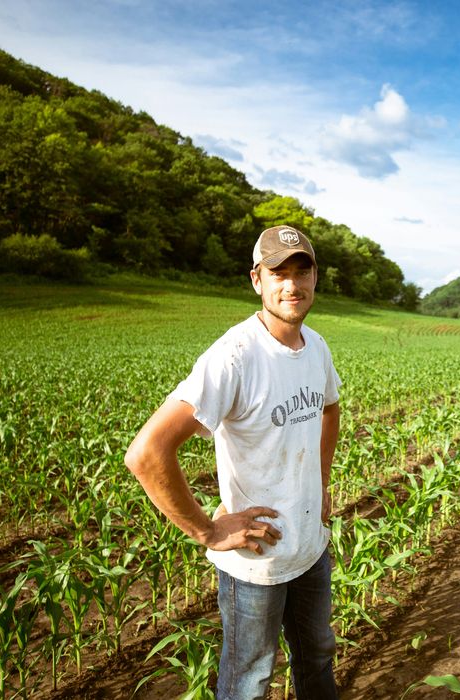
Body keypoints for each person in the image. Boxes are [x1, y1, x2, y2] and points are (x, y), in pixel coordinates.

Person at [125, 225, 341, 700]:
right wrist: (208, 530)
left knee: (317, 658)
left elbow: (330, 408)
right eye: (278, 272)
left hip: (311, 549)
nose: (292, 284)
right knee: (249, 681)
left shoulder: (317, 348)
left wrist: (320, 484)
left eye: (301, 271)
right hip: (255, 565)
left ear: (315, 277)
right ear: (256, 280)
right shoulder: (235, 356)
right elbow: (146, 453)